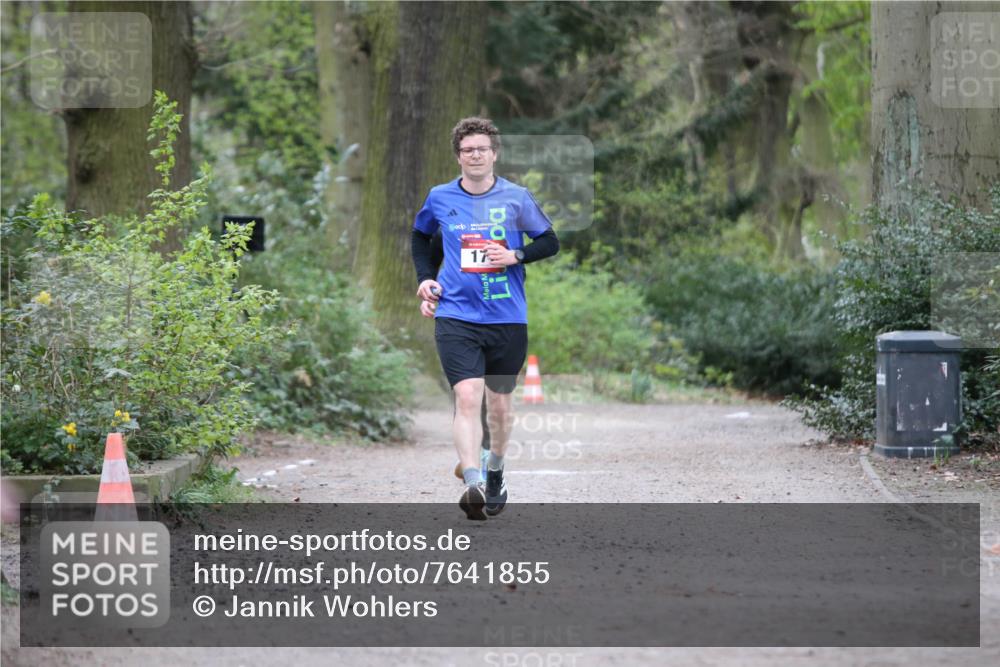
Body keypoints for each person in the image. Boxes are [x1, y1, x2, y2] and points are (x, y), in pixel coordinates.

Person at [411, 117, 559, 520]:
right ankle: (473, 481)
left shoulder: (516, 197)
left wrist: (516, 255)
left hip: (507, 317)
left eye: (482, 149)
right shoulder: (440, 197)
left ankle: (495, 469)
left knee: (499, 408)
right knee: (466, 397)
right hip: (456, 314)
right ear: (458, 156)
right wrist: (426, 280)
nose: (475, 155)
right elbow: (421, 237)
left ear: (494, 154)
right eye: (467, 150)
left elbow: (549, 241)